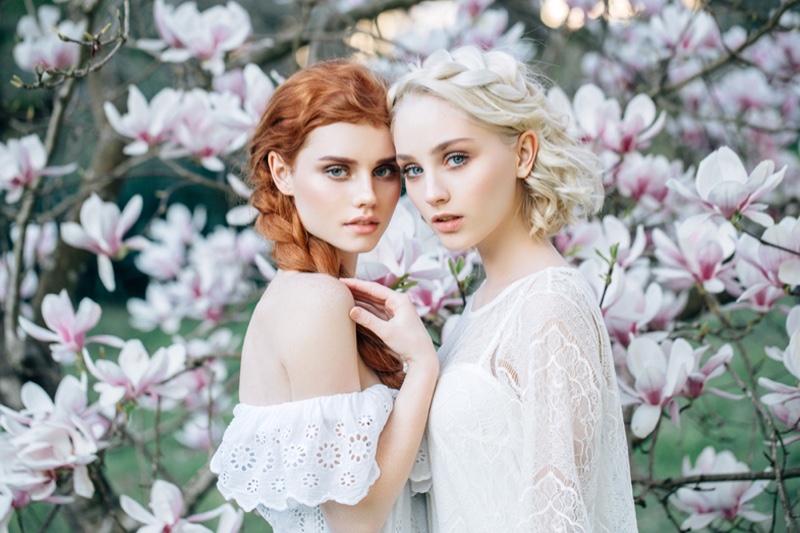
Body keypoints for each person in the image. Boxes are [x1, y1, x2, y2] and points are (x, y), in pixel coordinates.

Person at [343, 46, 638, 532]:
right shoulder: (482, 307)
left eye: (456, 158)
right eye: (412, 169)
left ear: (523, 153)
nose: (431, 192)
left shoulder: (549, 307)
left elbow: (559, 523)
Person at [209, 60, 439, 533]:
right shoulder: (315, 302)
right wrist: (423, 368)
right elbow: (354, 519)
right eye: (338, 170)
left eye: (384, 170)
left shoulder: (315, 294)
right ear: (282, 172)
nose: (367, 196)